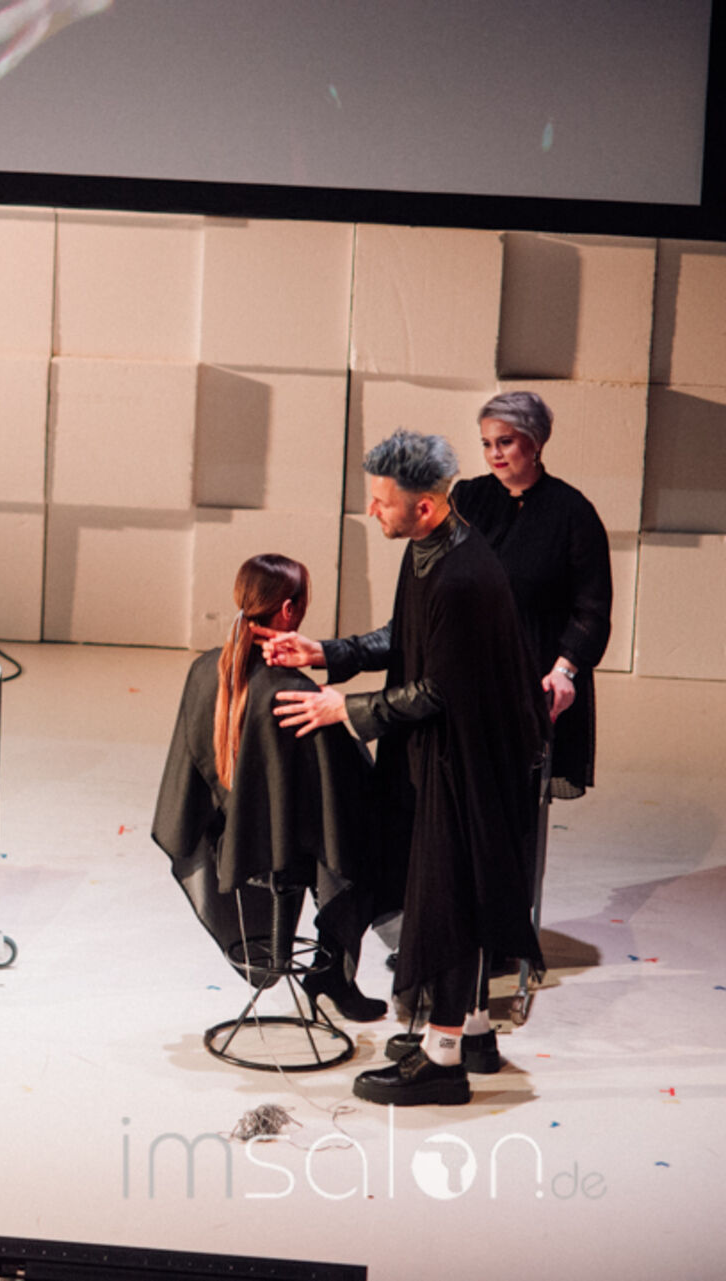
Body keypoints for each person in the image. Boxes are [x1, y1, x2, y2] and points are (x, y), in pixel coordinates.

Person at [261, 430, 548, 1106]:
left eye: (382, 501)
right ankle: (473, 1032)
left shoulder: (464, 574)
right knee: (442, 887)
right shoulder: (428, 549)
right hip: (442, 748)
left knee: (449, 897)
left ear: (423, 506)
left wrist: (345, 708)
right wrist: (326, 652)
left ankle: (442, 1062)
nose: (372, 510)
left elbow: (441, 690)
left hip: (470, 759)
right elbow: (405, 636)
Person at [152, 554, 384, 1023]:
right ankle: (331, 975)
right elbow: (340, 794)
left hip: (230, 839)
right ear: (289, 610)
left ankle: (326, 976)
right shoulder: (295, 693)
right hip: (286, 849)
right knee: (376, 837)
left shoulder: (204, 669)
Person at [453, 391, 612, 799]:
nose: (494, 454)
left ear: (535, 441)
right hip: (469, 669)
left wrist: (565, 670)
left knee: (517, 798)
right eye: (487, 443)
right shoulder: (467, 498)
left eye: (505, 441)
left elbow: (592, 609)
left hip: (535, 671)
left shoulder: (573, 512)